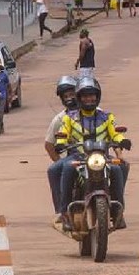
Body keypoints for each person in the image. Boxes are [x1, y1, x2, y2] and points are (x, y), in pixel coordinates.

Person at [57, 77, 131, 230]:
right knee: (68, 168)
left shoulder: (106, 116)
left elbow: (115, 133)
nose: (89, 99)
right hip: (78, 156)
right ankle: (65, 213)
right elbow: (63, 132)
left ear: (98, 97)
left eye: (92, 95)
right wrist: (60, 144)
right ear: (79, 98)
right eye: (85, 96)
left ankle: (118, 210)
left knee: (118, 169)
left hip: (102, 157)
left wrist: (122, 140)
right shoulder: (70, 118)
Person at [45, 76, 79, 223]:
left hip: (98, 154)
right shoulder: (61, 119)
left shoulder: (100, 113)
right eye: (66, 96)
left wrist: (119, 152)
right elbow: (49, 144)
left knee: (120, 167)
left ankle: (118, 208)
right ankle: (62, 211)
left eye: (72, 94)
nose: (69, 98)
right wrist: (59, 159)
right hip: (75, 156)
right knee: (54, 170)